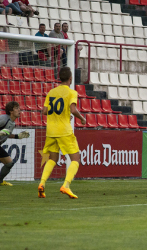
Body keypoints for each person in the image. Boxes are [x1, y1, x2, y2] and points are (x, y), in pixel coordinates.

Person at [38, 67, 86, 199]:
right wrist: (82, 119)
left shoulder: (51, 92)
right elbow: (73, 109)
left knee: (53, 159)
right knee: (76, 160)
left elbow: (44, 111)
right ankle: (66, 185)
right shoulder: (72, 92)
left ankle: (42, 184)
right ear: (70, 78)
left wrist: (62, 115)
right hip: (64, 131)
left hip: (51, 131)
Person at [0, 102, 30, 186]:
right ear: (11, 111)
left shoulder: (12, 123)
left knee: (9, 163)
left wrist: (18, 136)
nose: (19, 110)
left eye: (19, 108)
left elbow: (6, 134)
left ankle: (0, 181)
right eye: (16, 108)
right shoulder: (3, 119)